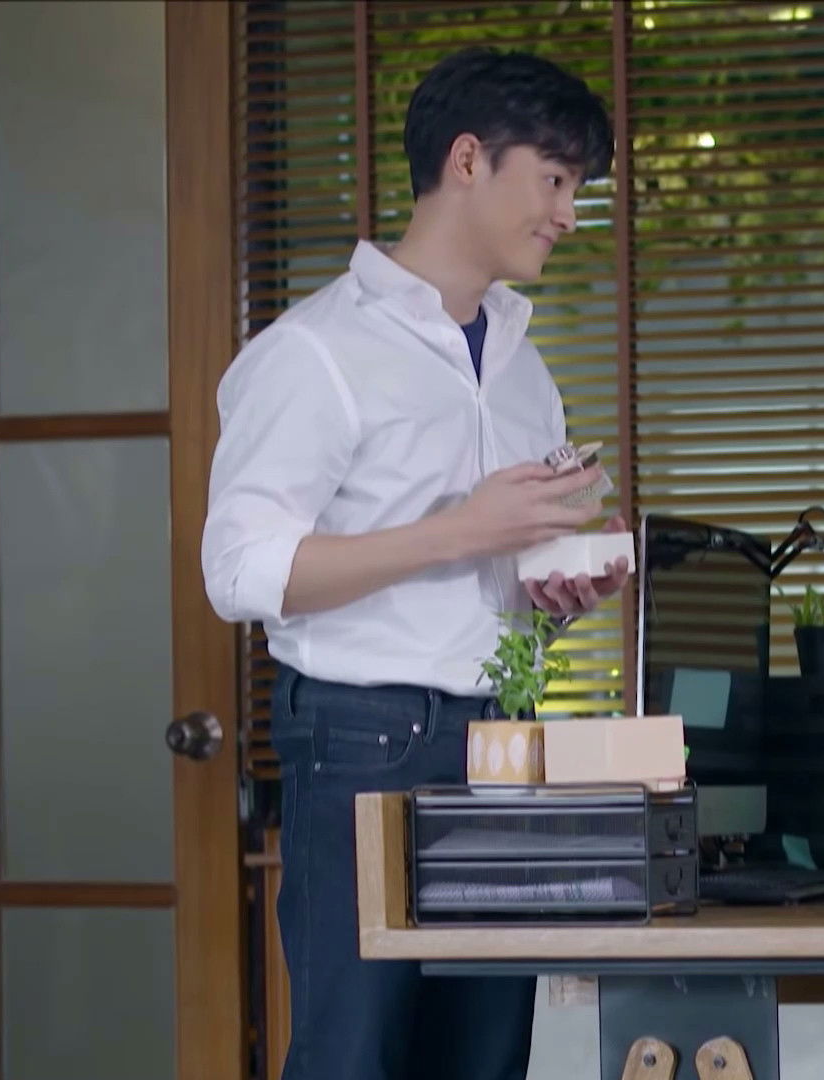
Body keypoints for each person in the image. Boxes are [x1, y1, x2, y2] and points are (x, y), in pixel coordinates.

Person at [201, 47, 629, 1080]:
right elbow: (238, 570)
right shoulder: (313, 353)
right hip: (364, 745)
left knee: (486, 1061)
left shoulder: (524, 367)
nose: (569, 215)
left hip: (500, 742)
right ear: (468, 161)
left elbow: (490, 582)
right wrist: (461, 530)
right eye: (556, 180)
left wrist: (556, 594)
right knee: (355, 1059)